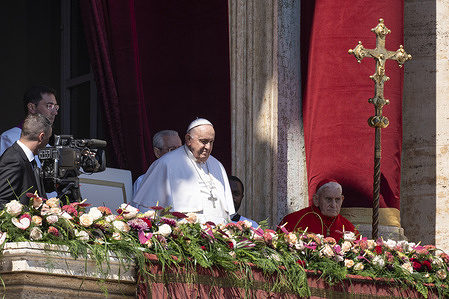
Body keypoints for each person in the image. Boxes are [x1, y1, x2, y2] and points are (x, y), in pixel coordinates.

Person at [132, 118, 235, 224]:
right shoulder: (167, 163)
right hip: (184, 236)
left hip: (218, 235)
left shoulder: (217, 165)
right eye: (203, 141)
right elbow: (148, 210)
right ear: (188, 139)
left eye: (211, 142)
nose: (208, 147)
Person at [278, 179, 359, 241]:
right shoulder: (293, 221)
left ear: (342, 199)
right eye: (328, 199)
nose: (333, 205)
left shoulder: (350, 229)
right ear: (316, 199)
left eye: (337, 199)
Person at [0, 114, 52, 206]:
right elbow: (2, 200)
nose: (47, 143)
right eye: (49, 138)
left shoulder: (28, 158)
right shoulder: (13, 159)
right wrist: (27, 216)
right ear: (42, 137)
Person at [0, 85, 59, 156]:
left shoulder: (47, 145)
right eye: (49, 106)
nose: (55, 112)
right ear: (31, 107)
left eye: (56, 107)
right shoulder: (9, 138)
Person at [133, 130, 182, 195]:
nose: (178, 154)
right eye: (172, 149)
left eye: (180, 149)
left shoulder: (192, 177)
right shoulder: (143, 182)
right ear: (157, 152)